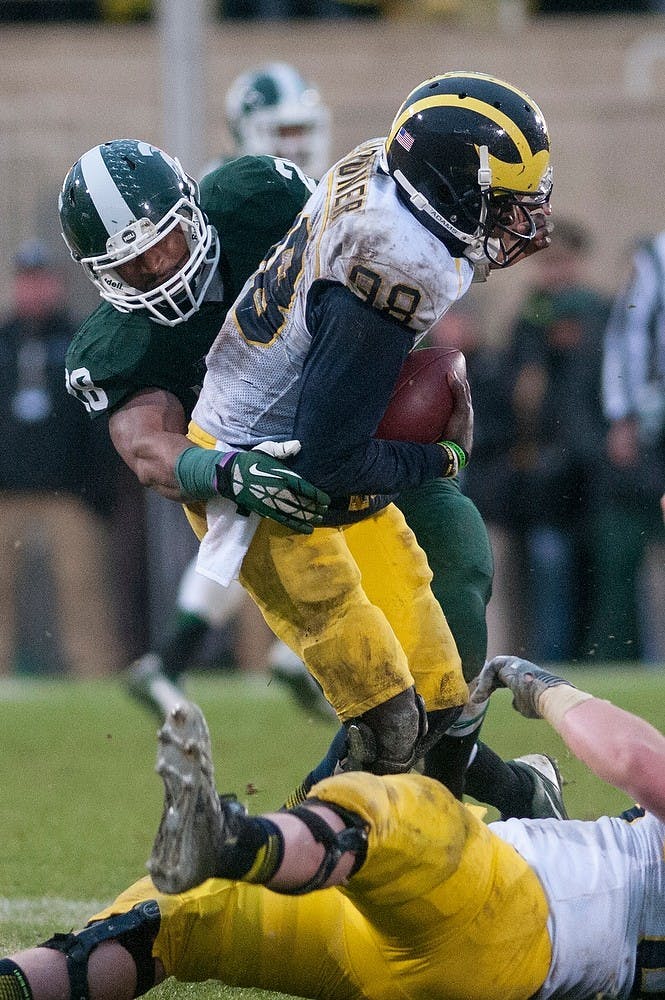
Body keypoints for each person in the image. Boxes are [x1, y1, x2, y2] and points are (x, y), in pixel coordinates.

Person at [59, 70, 555, 808]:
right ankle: (441, 803)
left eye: (164, 244)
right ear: (101, 277)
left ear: (192, 209)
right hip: (270, 482)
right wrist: (226, 473)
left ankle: (477, 794)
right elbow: (148, 450)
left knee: (456, 575)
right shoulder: (114, 345)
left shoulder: (253, 197)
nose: (158, 269)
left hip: (358, 423)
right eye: (131, 264)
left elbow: (353, 263)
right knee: (386, 700)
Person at [4, 650, 665, 1000]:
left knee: (405, 814)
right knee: (179, 917)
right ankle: (25, 979)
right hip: (448, 953)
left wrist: (542, 687)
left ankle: (232, 839)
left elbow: (636, 762)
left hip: (512, 926)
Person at [128, 63, 335, 719]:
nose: (296, 142)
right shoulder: (225, 194)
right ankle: (201, 658)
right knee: (254, 516)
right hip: (238, 380)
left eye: (303, 127)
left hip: (284, 377)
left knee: (258, 522)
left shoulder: (315, 186)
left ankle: (213, 659)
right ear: (248, 129)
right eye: (283, 129)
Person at [0, 238, 124, 676]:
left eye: (40, 281)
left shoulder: (79, 341)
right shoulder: (3, 343)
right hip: (6, 493)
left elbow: (98, 421)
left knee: (83, 590)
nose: (33, 291)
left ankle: (94, 675)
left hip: (68, 493)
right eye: (25, 282)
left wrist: (98, 490)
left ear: (54, 285)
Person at [498, 218, 611, 662]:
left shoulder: (596, 313)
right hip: (545, 471)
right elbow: (518, 391)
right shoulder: (529, 319)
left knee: (595, 571)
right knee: (550, 566)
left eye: (562, 262)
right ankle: (556, 659)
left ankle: (598, 657)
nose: (553, 273)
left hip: (591, 466)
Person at [592, 231, 665, 663]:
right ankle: (626, 653)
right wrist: (622, 414)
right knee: (632, 543)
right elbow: (625, 335)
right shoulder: (656, 255)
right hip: (654, 423)